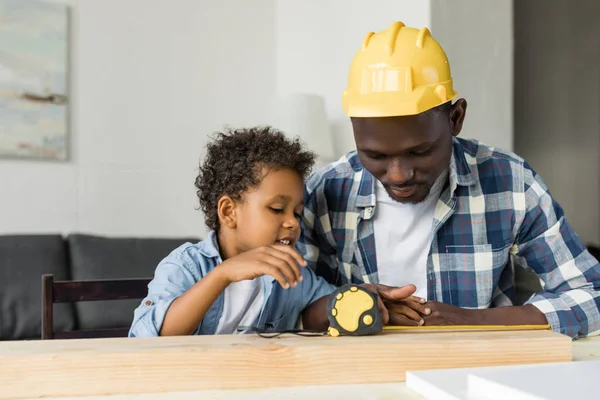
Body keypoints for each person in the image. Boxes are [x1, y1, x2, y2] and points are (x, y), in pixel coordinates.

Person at [297, 21, 600, 339]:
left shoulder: (511, 183)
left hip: (475, 378)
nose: (399, 175)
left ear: (456, 118)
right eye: (376, 156)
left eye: (420, 151)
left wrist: (473, 320)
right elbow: (285, 311)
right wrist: (345, 305)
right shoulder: (325, 192)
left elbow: (591, 294)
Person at [128, 126, 413, 337]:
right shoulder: (186, 266)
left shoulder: (293, 273)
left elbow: (325, 307)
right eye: (277, 209)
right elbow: (147, 337)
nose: (292, 222)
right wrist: (223, 274)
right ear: (229, 212)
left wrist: (359, 295)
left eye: (298, 213)